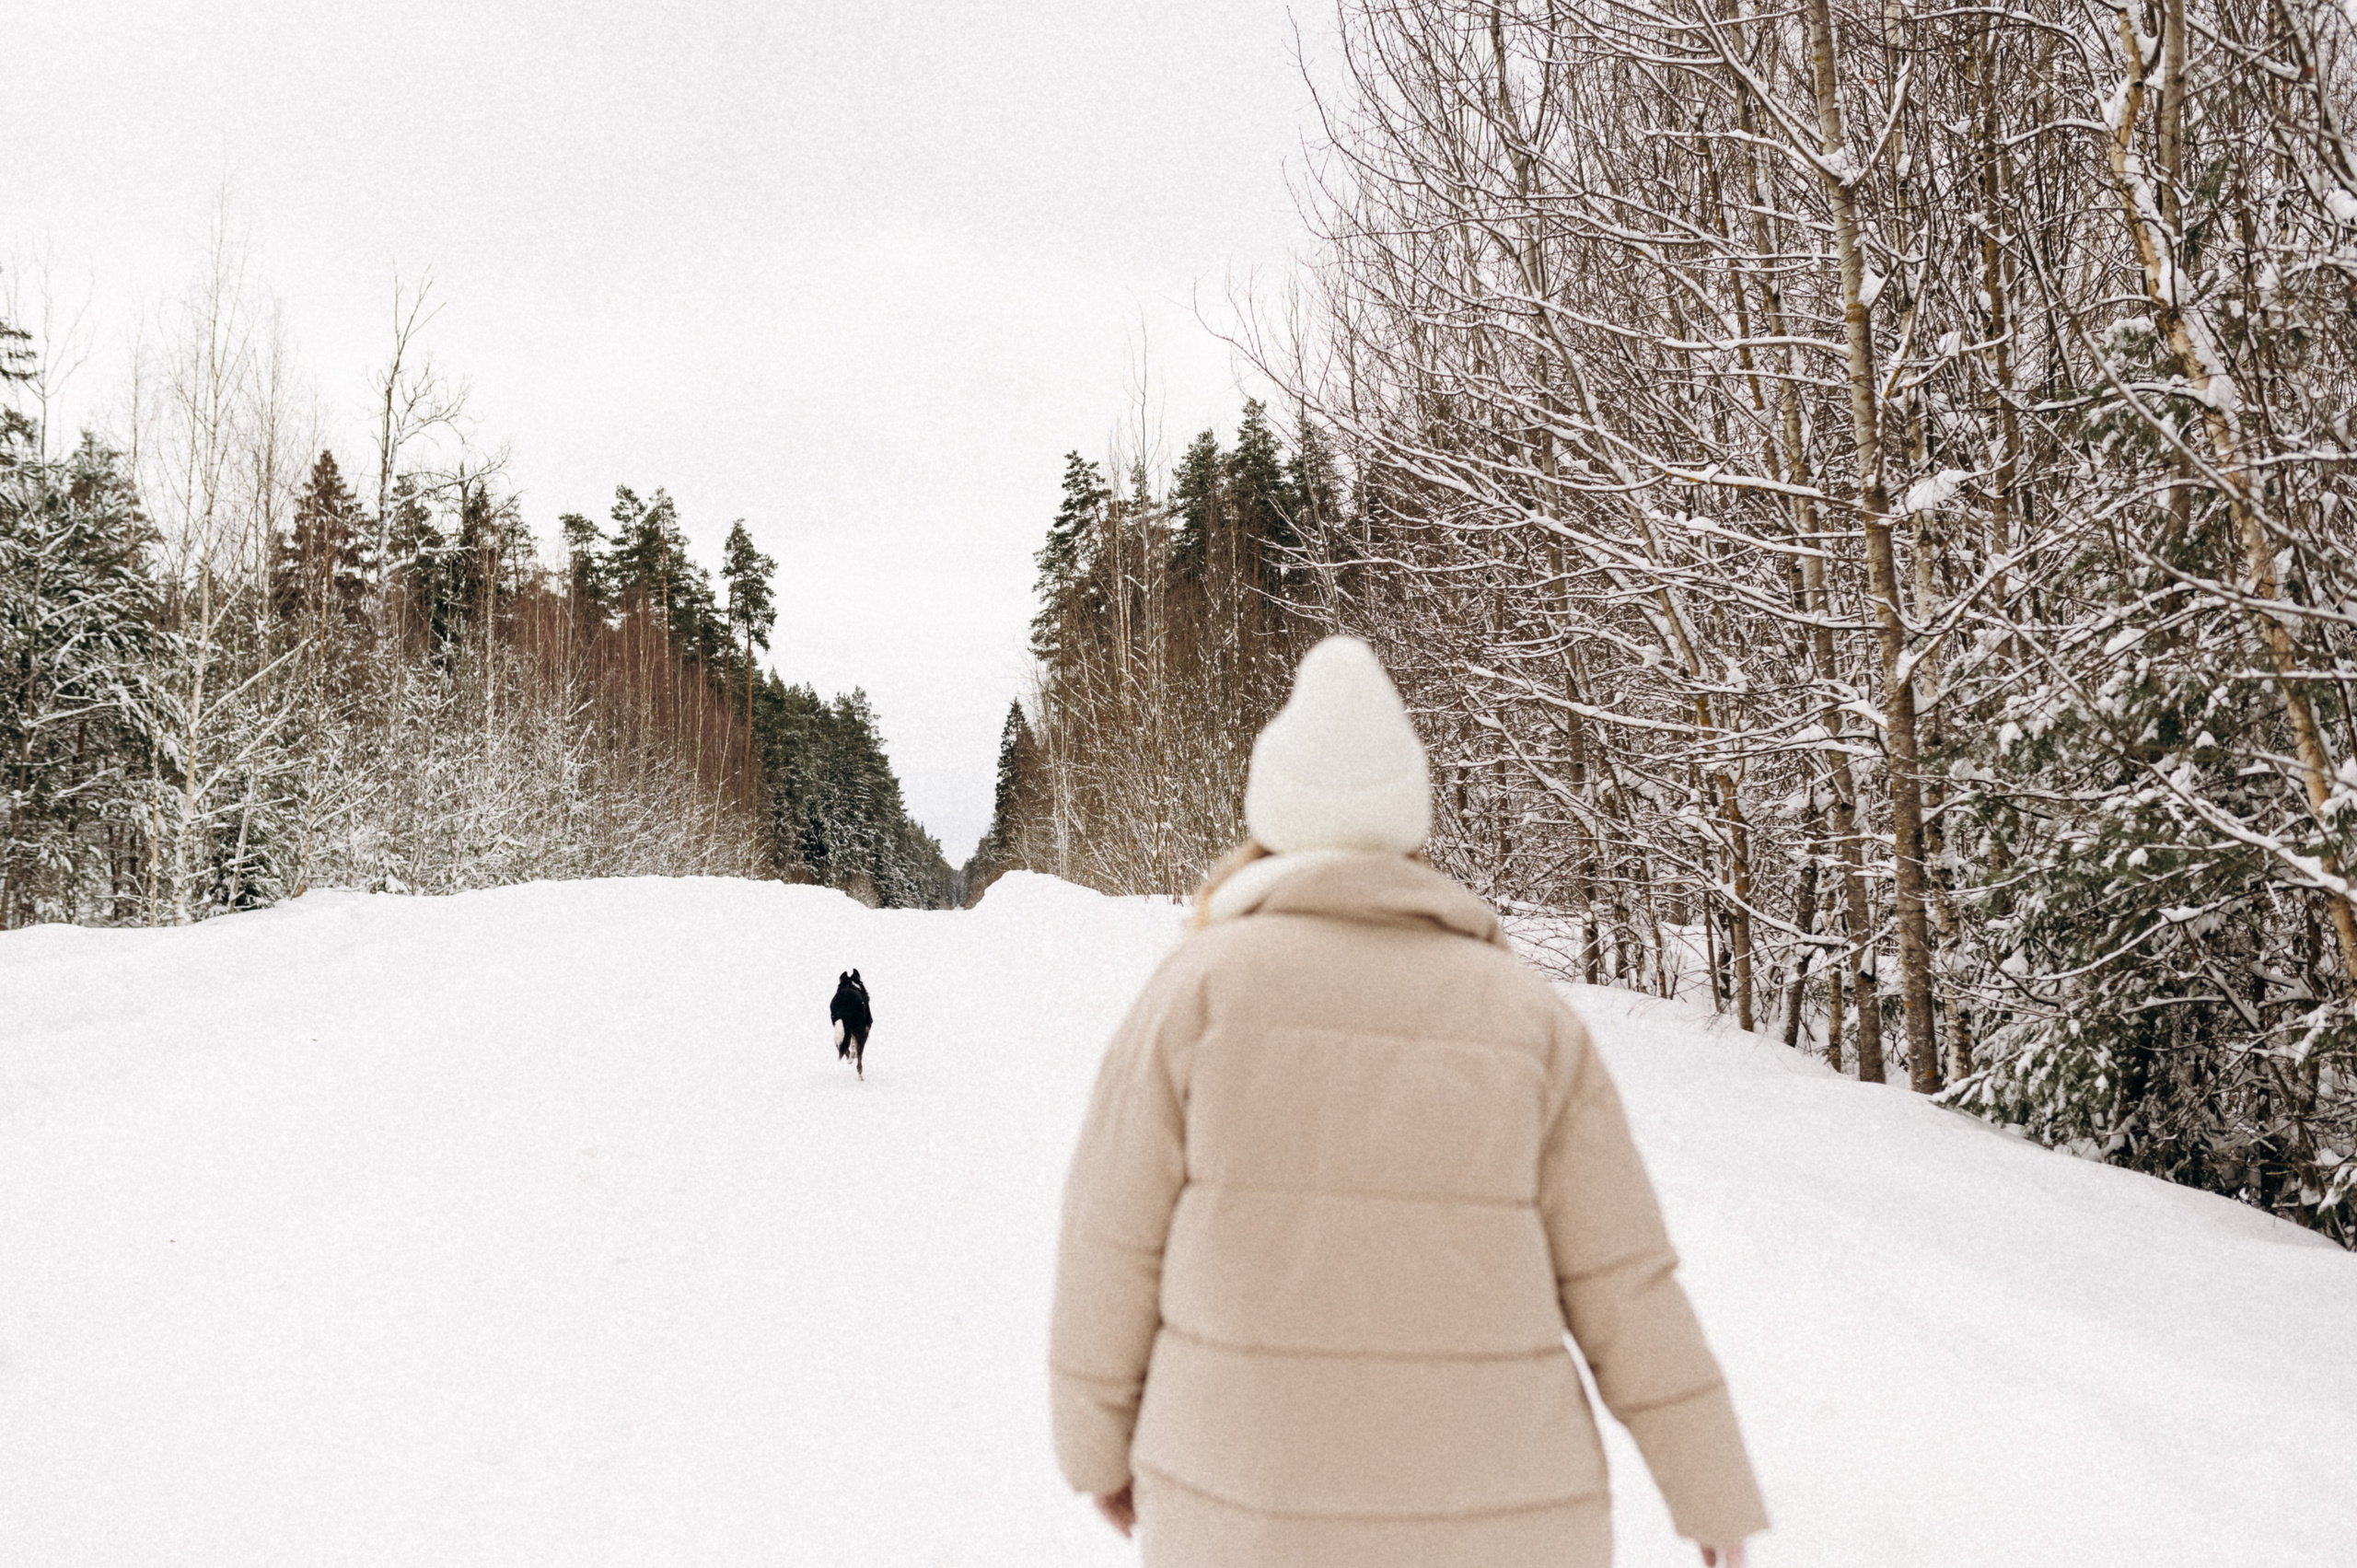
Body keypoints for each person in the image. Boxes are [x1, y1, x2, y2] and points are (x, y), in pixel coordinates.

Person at [1048, 636, 1767, 1568]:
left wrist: (1094, 1450)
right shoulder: (1523, 1014)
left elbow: (1107, 1243)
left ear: (1269, 817)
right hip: (1505, 1523)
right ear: (1409, 824)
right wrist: (1708, 1492)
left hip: (1247, 1516)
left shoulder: (1194, 995)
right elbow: (1624, 1280)